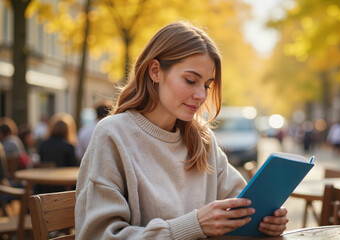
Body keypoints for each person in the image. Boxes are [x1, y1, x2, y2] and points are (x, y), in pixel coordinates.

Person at [75, 21, 288, 239]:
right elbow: (98, 235)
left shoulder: (202, 140)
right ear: (155, 71)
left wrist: (265, 221)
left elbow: (241, 205)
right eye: (190, 80)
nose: (202, 96)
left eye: (206, 85)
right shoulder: (112, 135)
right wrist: (194, 225)